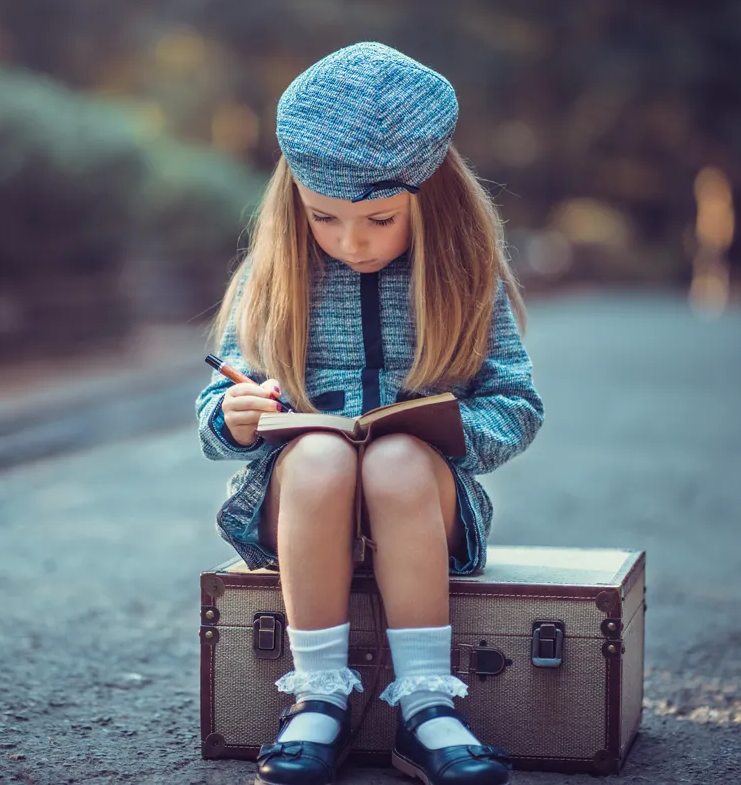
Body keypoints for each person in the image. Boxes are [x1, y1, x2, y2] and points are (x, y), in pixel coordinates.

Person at [195, 42, 544, 785]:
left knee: (393, 457)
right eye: (324, 218)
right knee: (321, 455)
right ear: (296, 201)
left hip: (422, 503)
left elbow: (517, 403)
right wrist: (235, 415)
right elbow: (212, 413)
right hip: (294, 501)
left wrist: (449, 435)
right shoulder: (275, 273)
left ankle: (426, 706)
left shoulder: (464, 273)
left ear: (431, 194)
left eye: (380, 220)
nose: (353, 244)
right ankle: (317, 695)